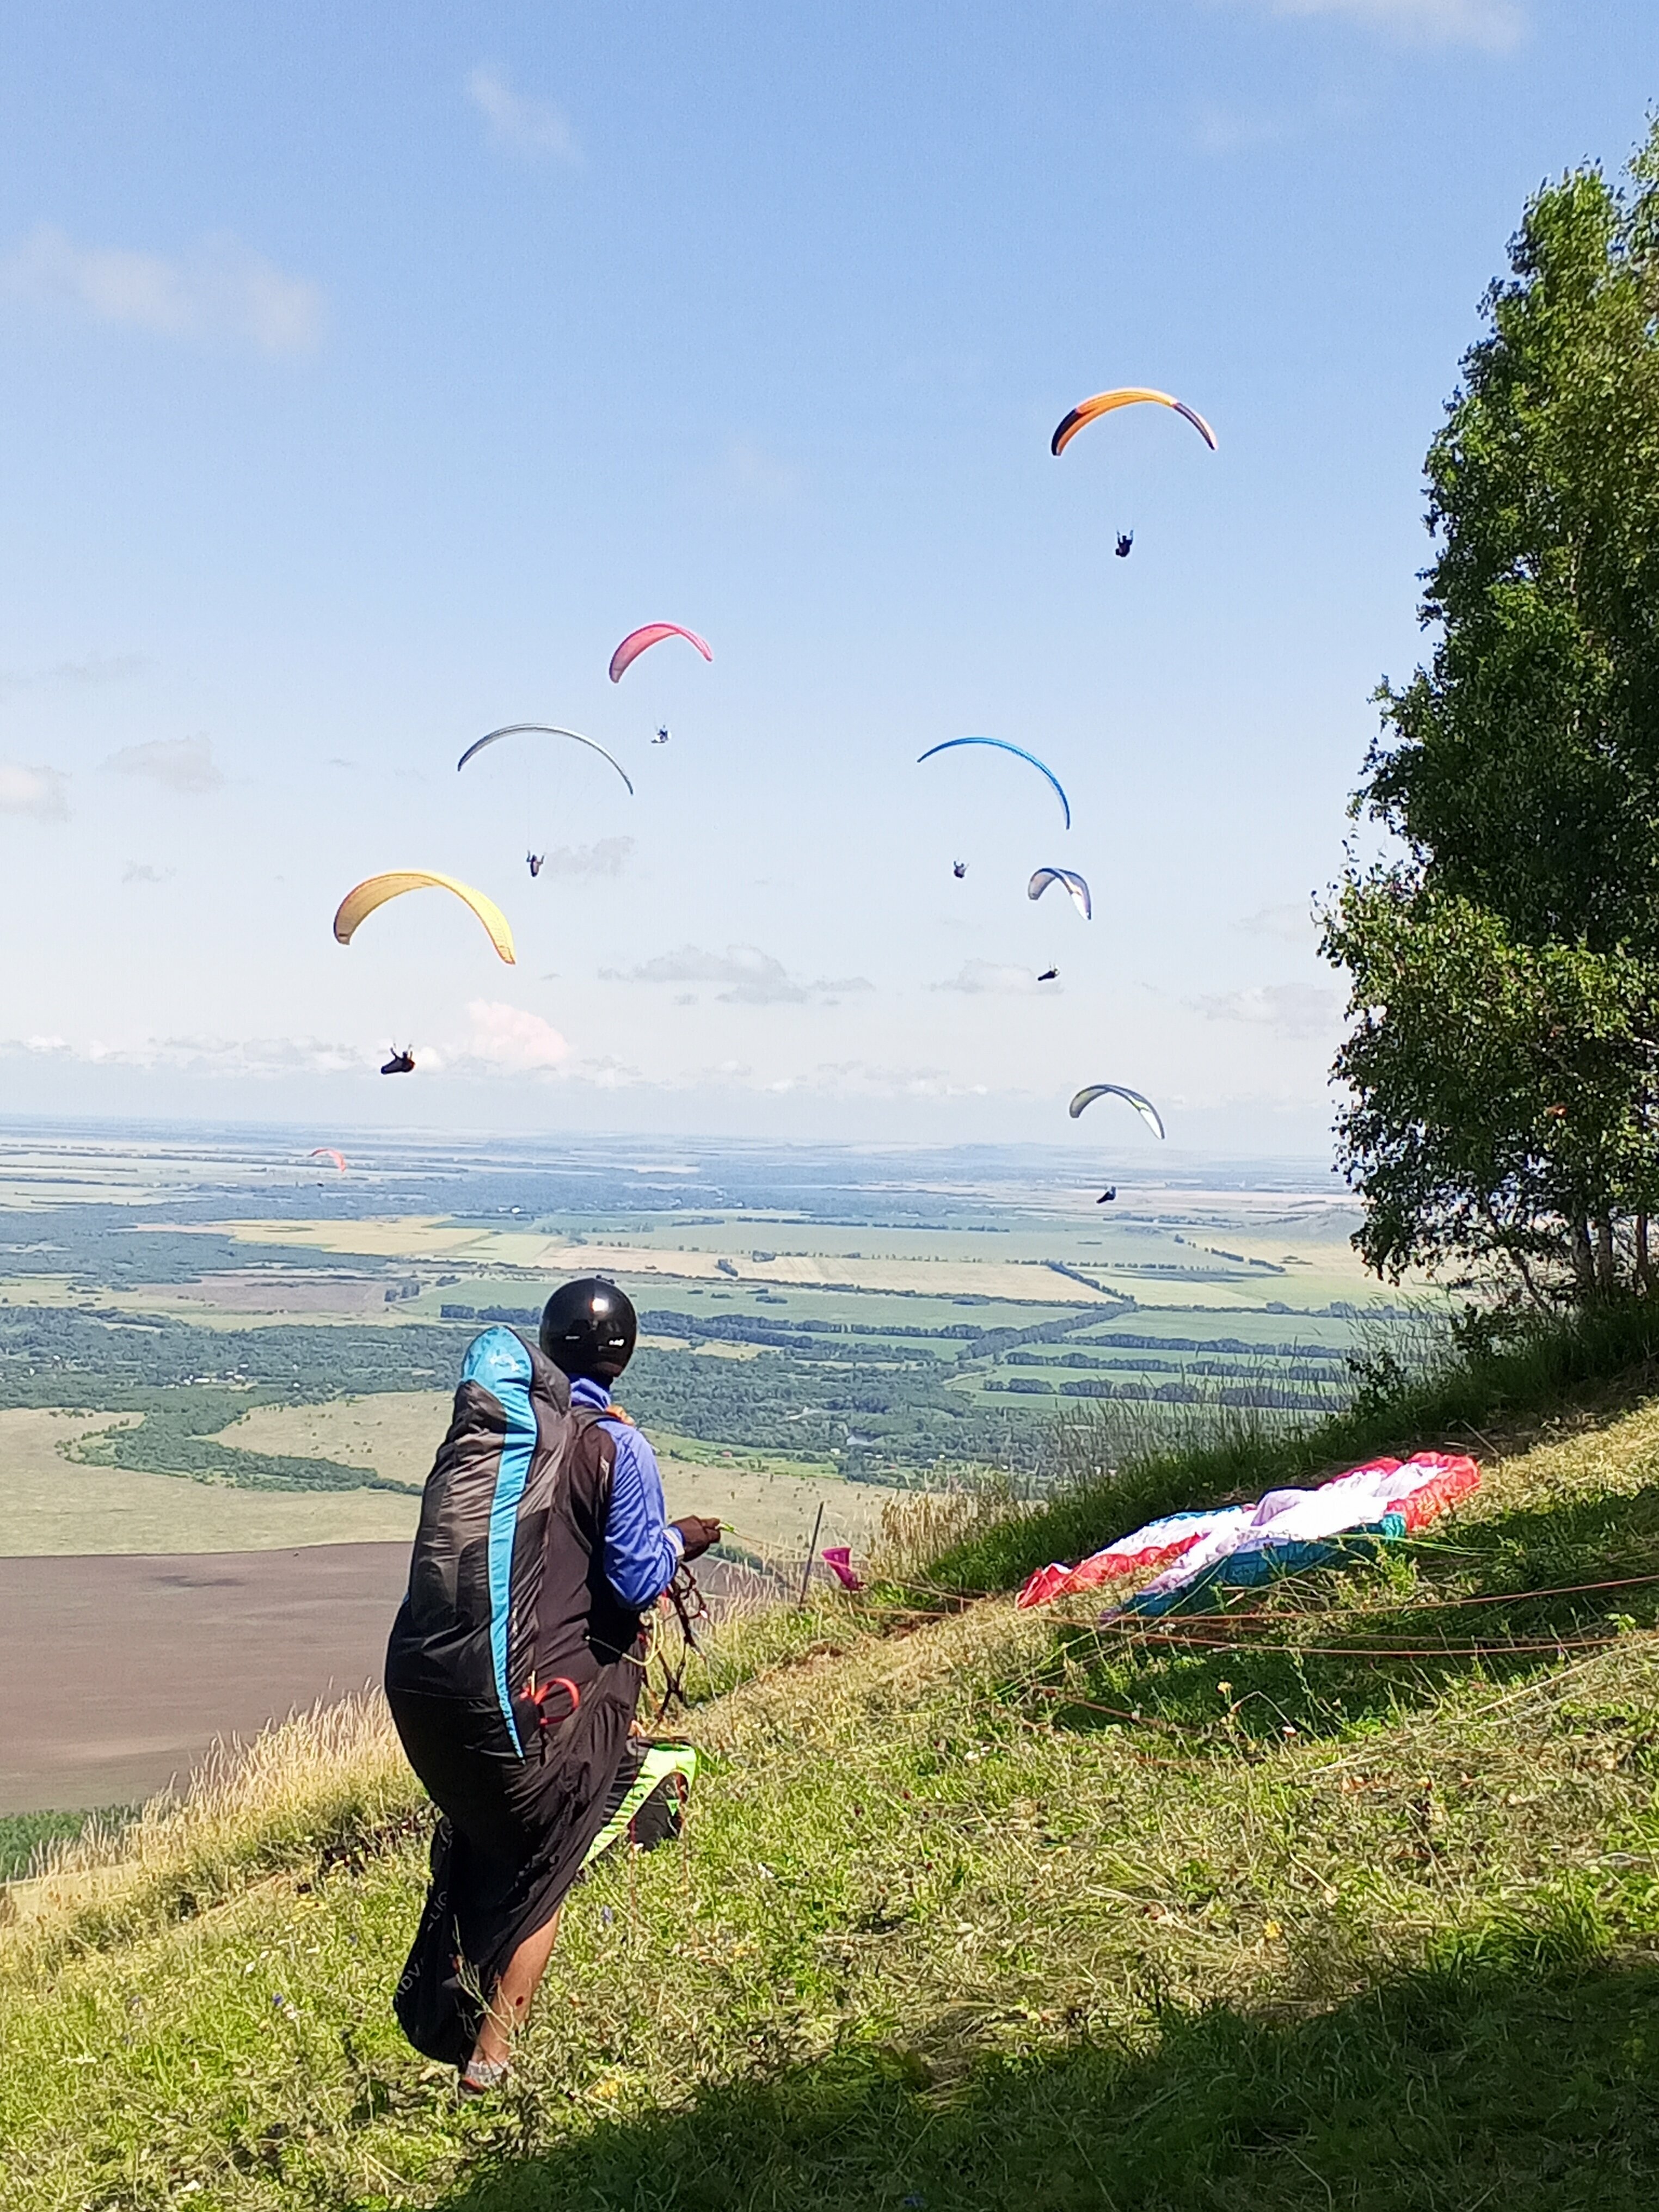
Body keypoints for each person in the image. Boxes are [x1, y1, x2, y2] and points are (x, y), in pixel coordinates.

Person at [384, 1277, 720, 2093]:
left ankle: (442, 2010)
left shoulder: (514, 1436)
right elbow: (637, 1575)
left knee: (490, 1838)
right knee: (553, 1857)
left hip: (441, 1701)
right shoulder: (617, 1446)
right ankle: (490, 2060)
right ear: (626, 1353)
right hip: (542, 1711)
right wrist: (686, 1538)